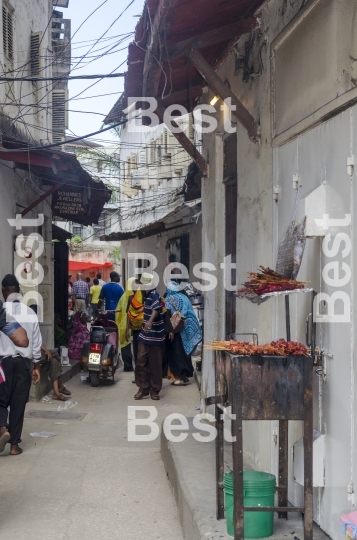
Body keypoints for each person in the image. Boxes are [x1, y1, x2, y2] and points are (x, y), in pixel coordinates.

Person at [0, 274, 41, 456]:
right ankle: (14, 446)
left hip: (3, 364)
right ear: (18, 291)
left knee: (0, 401)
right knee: (18, 404)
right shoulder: (29, 312)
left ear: (3, 291)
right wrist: (36, 366)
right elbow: (36, 342)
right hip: (24, 364)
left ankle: (3, 429)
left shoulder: (1, 310)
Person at [164, 280, 202, 385]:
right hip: (185, 330)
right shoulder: (184, 298)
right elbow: (189, 313)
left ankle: (178, 377)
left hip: (174, 331)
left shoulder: (167, 299)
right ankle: (185, 374)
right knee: (184, 353)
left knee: (175, 353)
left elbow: (165, 314)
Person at [134, 273, 165, 401]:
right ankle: (143, 388)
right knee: (141, 361)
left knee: (155, 364)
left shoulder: (154, 294)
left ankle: (155, 390)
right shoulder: (144, 295)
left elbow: (156, 309)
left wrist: (150, 321)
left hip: (155, 336)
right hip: (144, 335)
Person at [115, 278, 135, 372]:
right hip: (135, 324)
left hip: (124, 324)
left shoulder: (123, 297)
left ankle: (128, 365)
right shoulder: (136, 296)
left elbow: (118, 312)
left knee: (125, 345)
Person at [127, 278, 144, 367]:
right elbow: (128, 314)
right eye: (134, 286)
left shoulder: (144, 298)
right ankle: (137, 374)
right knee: (136, 351)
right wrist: (126, 331)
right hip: (135, 329)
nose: (135, 288)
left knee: (142, 353)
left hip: (144, 329)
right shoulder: (130, 298)